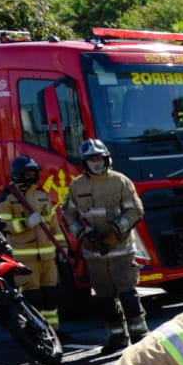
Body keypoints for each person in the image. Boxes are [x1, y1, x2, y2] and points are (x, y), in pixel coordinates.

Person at [62, 139, 146, 353]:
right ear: (85, 162)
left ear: (106, 158)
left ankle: (140, 337)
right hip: (93, 254)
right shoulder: (77, 186)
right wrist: (82, 235)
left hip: (121, 251)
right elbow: (69, 215)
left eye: (99, 158)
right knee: (104, 299)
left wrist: (115, 232)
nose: (96, 163)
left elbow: (135, 211)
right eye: (91, 159)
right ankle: (117, 337)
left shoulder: (120, 182)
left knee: (128, 294)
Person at [0, 155, 63, 334]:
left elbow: (54, 225)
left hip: (48, 257)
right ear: (19, 174)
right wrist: (26, 223)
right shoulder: (7, 199)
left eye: (34, 172)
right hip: (24, 258)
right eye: (28, 173)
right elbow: (2, 225)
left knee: (51, 295)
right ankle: (35, 332)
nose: (32, 176)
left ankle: (53, 331)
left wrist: (63, 248)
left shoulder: (41, 196)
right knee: (33, 296)